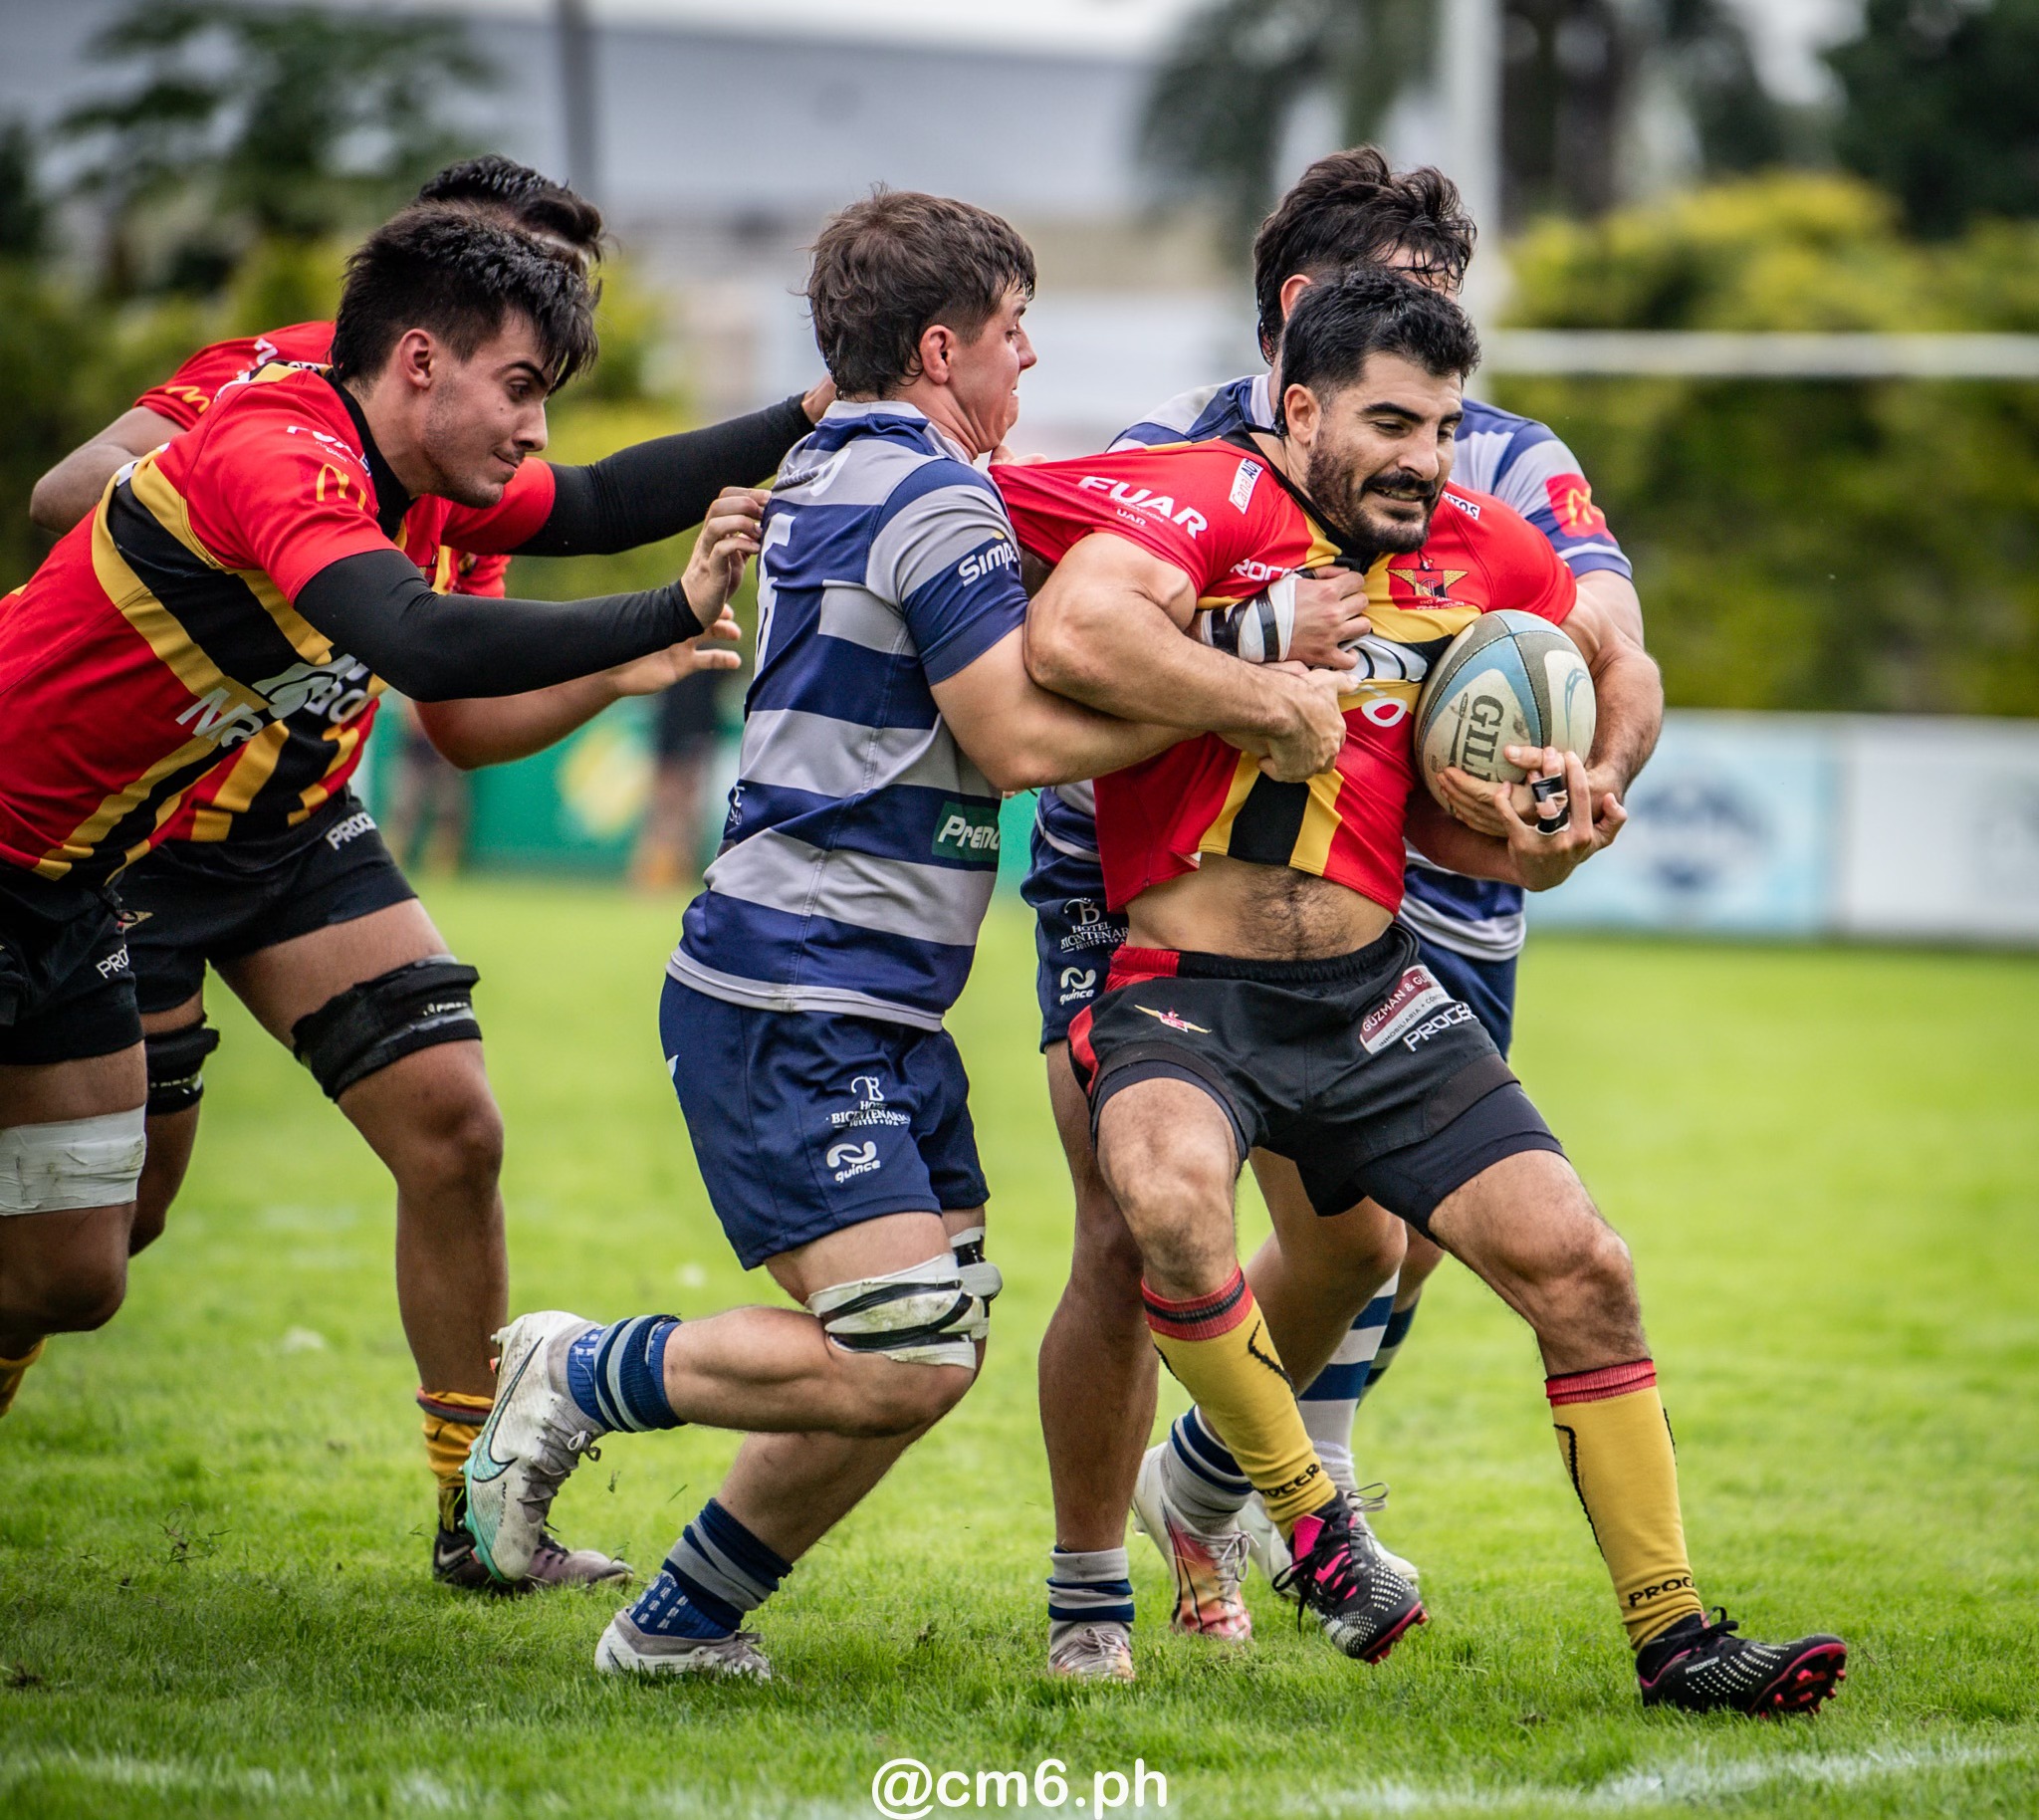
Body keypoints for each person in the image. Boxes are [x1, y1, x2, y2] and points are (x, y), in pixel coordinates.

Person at [460, 189, 1349, 1682]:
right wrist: (1258, 681)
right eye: (1014, 334)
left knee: (922, 1352)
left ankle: (679, 1627)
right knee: (907, 1352)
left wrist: (1223, 653)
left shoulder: (835, 461)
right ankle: (579, 1368)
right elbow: (1011, 737)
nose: (1031, 365)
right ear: (941, 349)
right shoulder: (931, 497)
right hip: (801, 986)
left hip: (863, 992)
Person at [998, 268, 1847, 1714]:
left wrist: (1562, 821)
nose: (1425, 461)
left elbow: (1543, 750)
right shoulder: (1200, 497)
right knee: (1164, 1204)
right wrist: (1268, 686)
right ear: (1304, 403)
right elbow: (1074, 639)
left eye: (1447, 428)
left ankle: (1678, 1637)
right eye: (1393, 423)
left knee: (1586, 1268)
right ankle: (1314, 1532)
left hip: (1377, 994)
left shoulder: (1487, 549)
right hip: (1181, 987)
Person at [0, 206, 813, 1597]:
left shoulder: (423, 461)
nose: (538, 428)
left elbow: (593, 518)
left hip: (128, 869)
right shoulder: (275, 425)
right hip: (121, 854)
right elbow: (417, 634)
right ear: (421, 350)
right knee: (109, 1226)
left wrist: (812, 406)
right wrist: (661, 617)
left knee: (90, 1268)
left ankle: (474, 1514)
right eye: (525, 383)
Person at [1022, 148, 1665, 1658]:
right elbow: (1078, 634)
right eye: (1403, 309)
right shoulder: (1177, 452)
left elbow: (1610, 646)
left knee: (1384, 1247)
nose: (1441, 371)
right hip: (1142, 899)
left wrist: (1584, 779)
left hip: (1416, 892)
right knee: (1133, 1225)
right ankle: (1104, 1591)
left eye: (1446, 311)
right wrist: (1247, 661)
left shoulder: (1499, 453)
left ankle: (1224, 1487)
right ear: (1307, 328)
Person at [630, 668, 727, 890]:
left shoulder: (703, 655)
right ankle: (652, 877)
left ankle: (672, 876)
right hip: (677, 741)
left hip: (689, 740)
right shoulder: (683, 653)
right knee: (668, 813)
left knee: (682, 815)